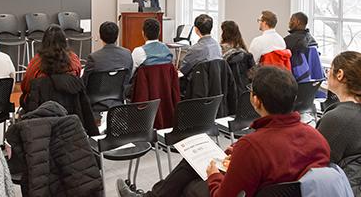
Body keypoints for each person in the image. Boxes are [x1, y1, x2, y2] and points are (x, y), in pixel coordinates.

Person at [117, 66, 330, 197]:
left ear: (255, 100)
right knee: (191, 165)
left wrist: (213, 176)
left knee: (189, 185)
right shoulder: (317, 137)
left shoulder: (253, 146)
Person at [317, 51, 361, 194]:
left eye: (329, 69)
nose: (327, 73)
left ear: (340, 74)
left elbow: (315, 163)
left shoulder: (338, 118)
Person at [21, 24, 82, 101]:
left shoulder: (36, 61)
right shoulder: (74, 59)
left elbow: (25, 86)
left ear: (44, 41)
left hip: (41, 107)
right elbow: (76, 80)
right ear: (64, 40)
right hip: (69, 105)